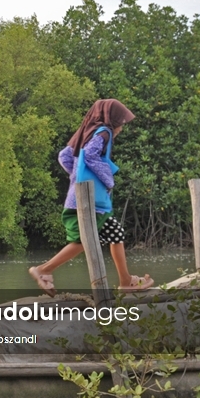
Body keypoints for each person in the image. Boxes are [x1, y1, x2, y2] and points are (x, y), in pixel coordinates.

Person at [28, 98, 154, 296]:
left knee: (116, 234)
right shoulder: (105, 132)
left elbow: (64, 156)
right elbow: (90, 155)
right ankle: (44, 269)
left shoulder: (84, 132)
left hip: (83, 200)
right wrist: (107, 180)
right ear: (113, 119)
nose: (122, 126)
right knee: (83, 241)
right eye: (121, 122)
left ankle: (126, 281)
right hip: (89, 203)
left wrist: (77, 177)